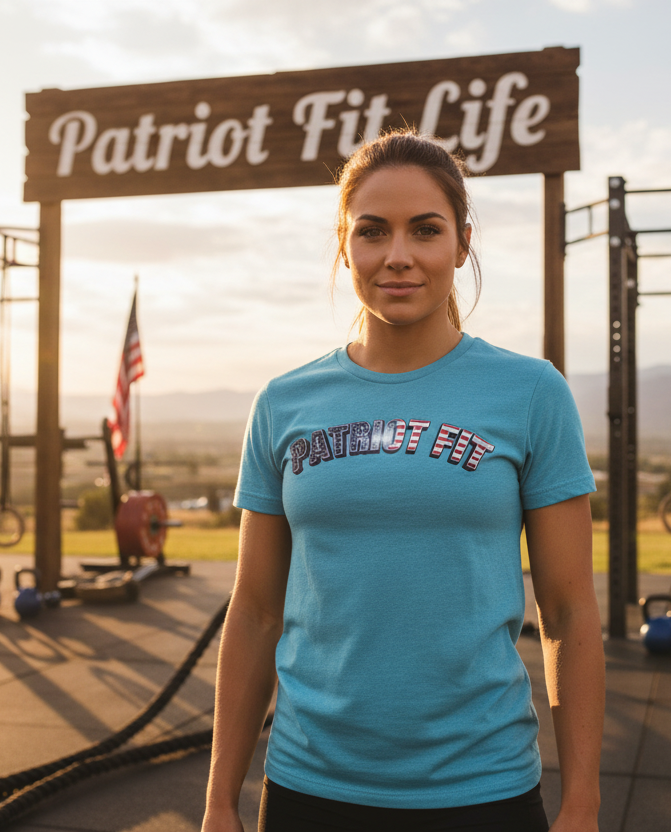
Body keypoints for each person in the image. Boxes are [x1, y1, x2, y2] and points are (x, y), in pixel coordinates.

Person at [202, 128, 606, 832]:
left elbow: (569, 614)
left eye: (425, 230)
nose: (398, 256)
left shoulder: (531, 394)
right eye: (372, 232)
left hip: (482, 791)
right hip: (307, 787)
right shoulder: (283, 403)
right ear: (343, 245)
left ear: (462, 242)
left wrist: (582, 804)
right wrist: (216, 802)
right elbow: (257, 611)